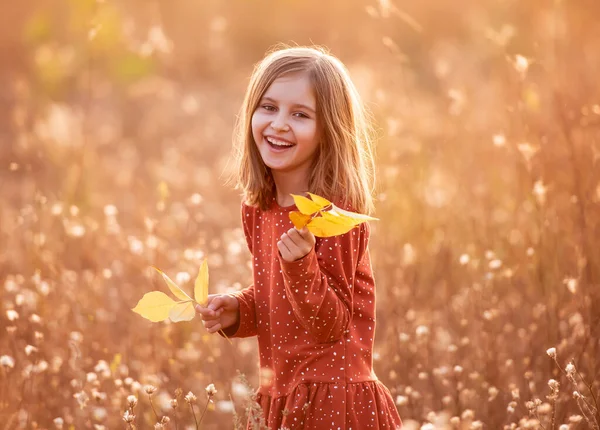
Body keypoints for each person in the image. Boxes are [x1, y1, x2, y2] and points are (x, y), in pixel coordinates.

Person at [196, 45, 402, 429]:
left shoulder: (332, 213)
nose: (279, 124)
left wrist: (300, 264)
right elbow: (278, 295)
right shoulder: (260, 208)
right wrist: (239, 308)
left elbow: (332, 325)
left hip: (333, 401)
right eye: (269, 107)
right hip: (283, 395)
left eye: (301, 115)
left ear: (330, 131)